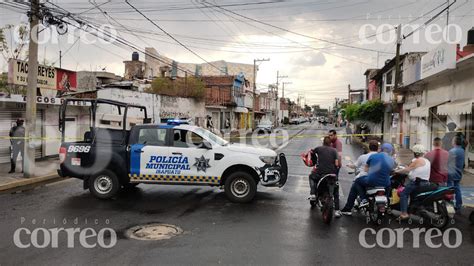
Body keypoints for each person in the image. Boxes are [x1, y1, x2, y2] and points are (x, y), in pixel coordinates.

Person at [340, 143, 395, 215]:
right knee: (389, 185)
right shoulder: (391, 159)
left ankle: (363, 199)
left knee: (357, 181)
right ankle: (387, 202)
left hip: (372, 181)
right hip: (385, 183)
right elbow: (392, 171)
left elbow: (366, 169)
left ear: (380, 149)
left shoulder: (373, 156)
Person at [395, 144, 431, 219]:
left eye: (413, 152)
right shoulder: (427, 161)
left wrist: (396, 171)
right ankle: (412, 209)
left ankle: (404, 214)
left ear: (416, 153)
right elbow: (413, 168)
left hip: (417, 183)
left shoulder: (418, 160)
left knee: (403, 194)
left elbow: (407, 170)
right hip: (426, 183)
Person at [308, 136, 341, 217]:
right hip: (331, 174)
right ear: (330, 143)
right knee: (336, 190)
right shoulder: (334, 150)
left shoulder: (319, 148)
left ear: (323, 143)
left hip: (320, 173)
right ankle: (337, 210)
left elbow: (311, 152)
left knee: (311, 177)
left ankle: (313, 193)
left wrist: (310, 152)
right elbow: (337, 164)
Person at [448, 136, 465, 211]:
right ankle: (459, 205)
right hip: (458, 173)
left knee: (449, 189)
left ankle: (450, 205)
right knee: (457, 189)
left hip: (451, 173)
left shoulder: (452, 151)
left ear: (454, 142)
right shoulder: (462, 150)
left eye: (452, 140)